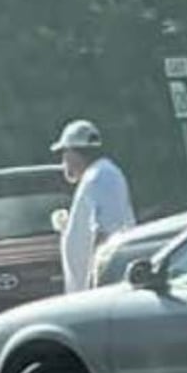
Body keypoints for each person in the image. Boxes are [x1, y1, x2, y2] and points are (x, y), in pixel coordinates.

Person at [53, 119, 135, 294]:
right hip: (88, 293)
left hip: (99, 293)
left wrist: (96, 285)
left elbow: (106, 233)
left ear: (73, 153)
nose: (63, 161)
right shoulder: (96, 176)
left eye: (64, 153)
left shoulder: (101, 176)